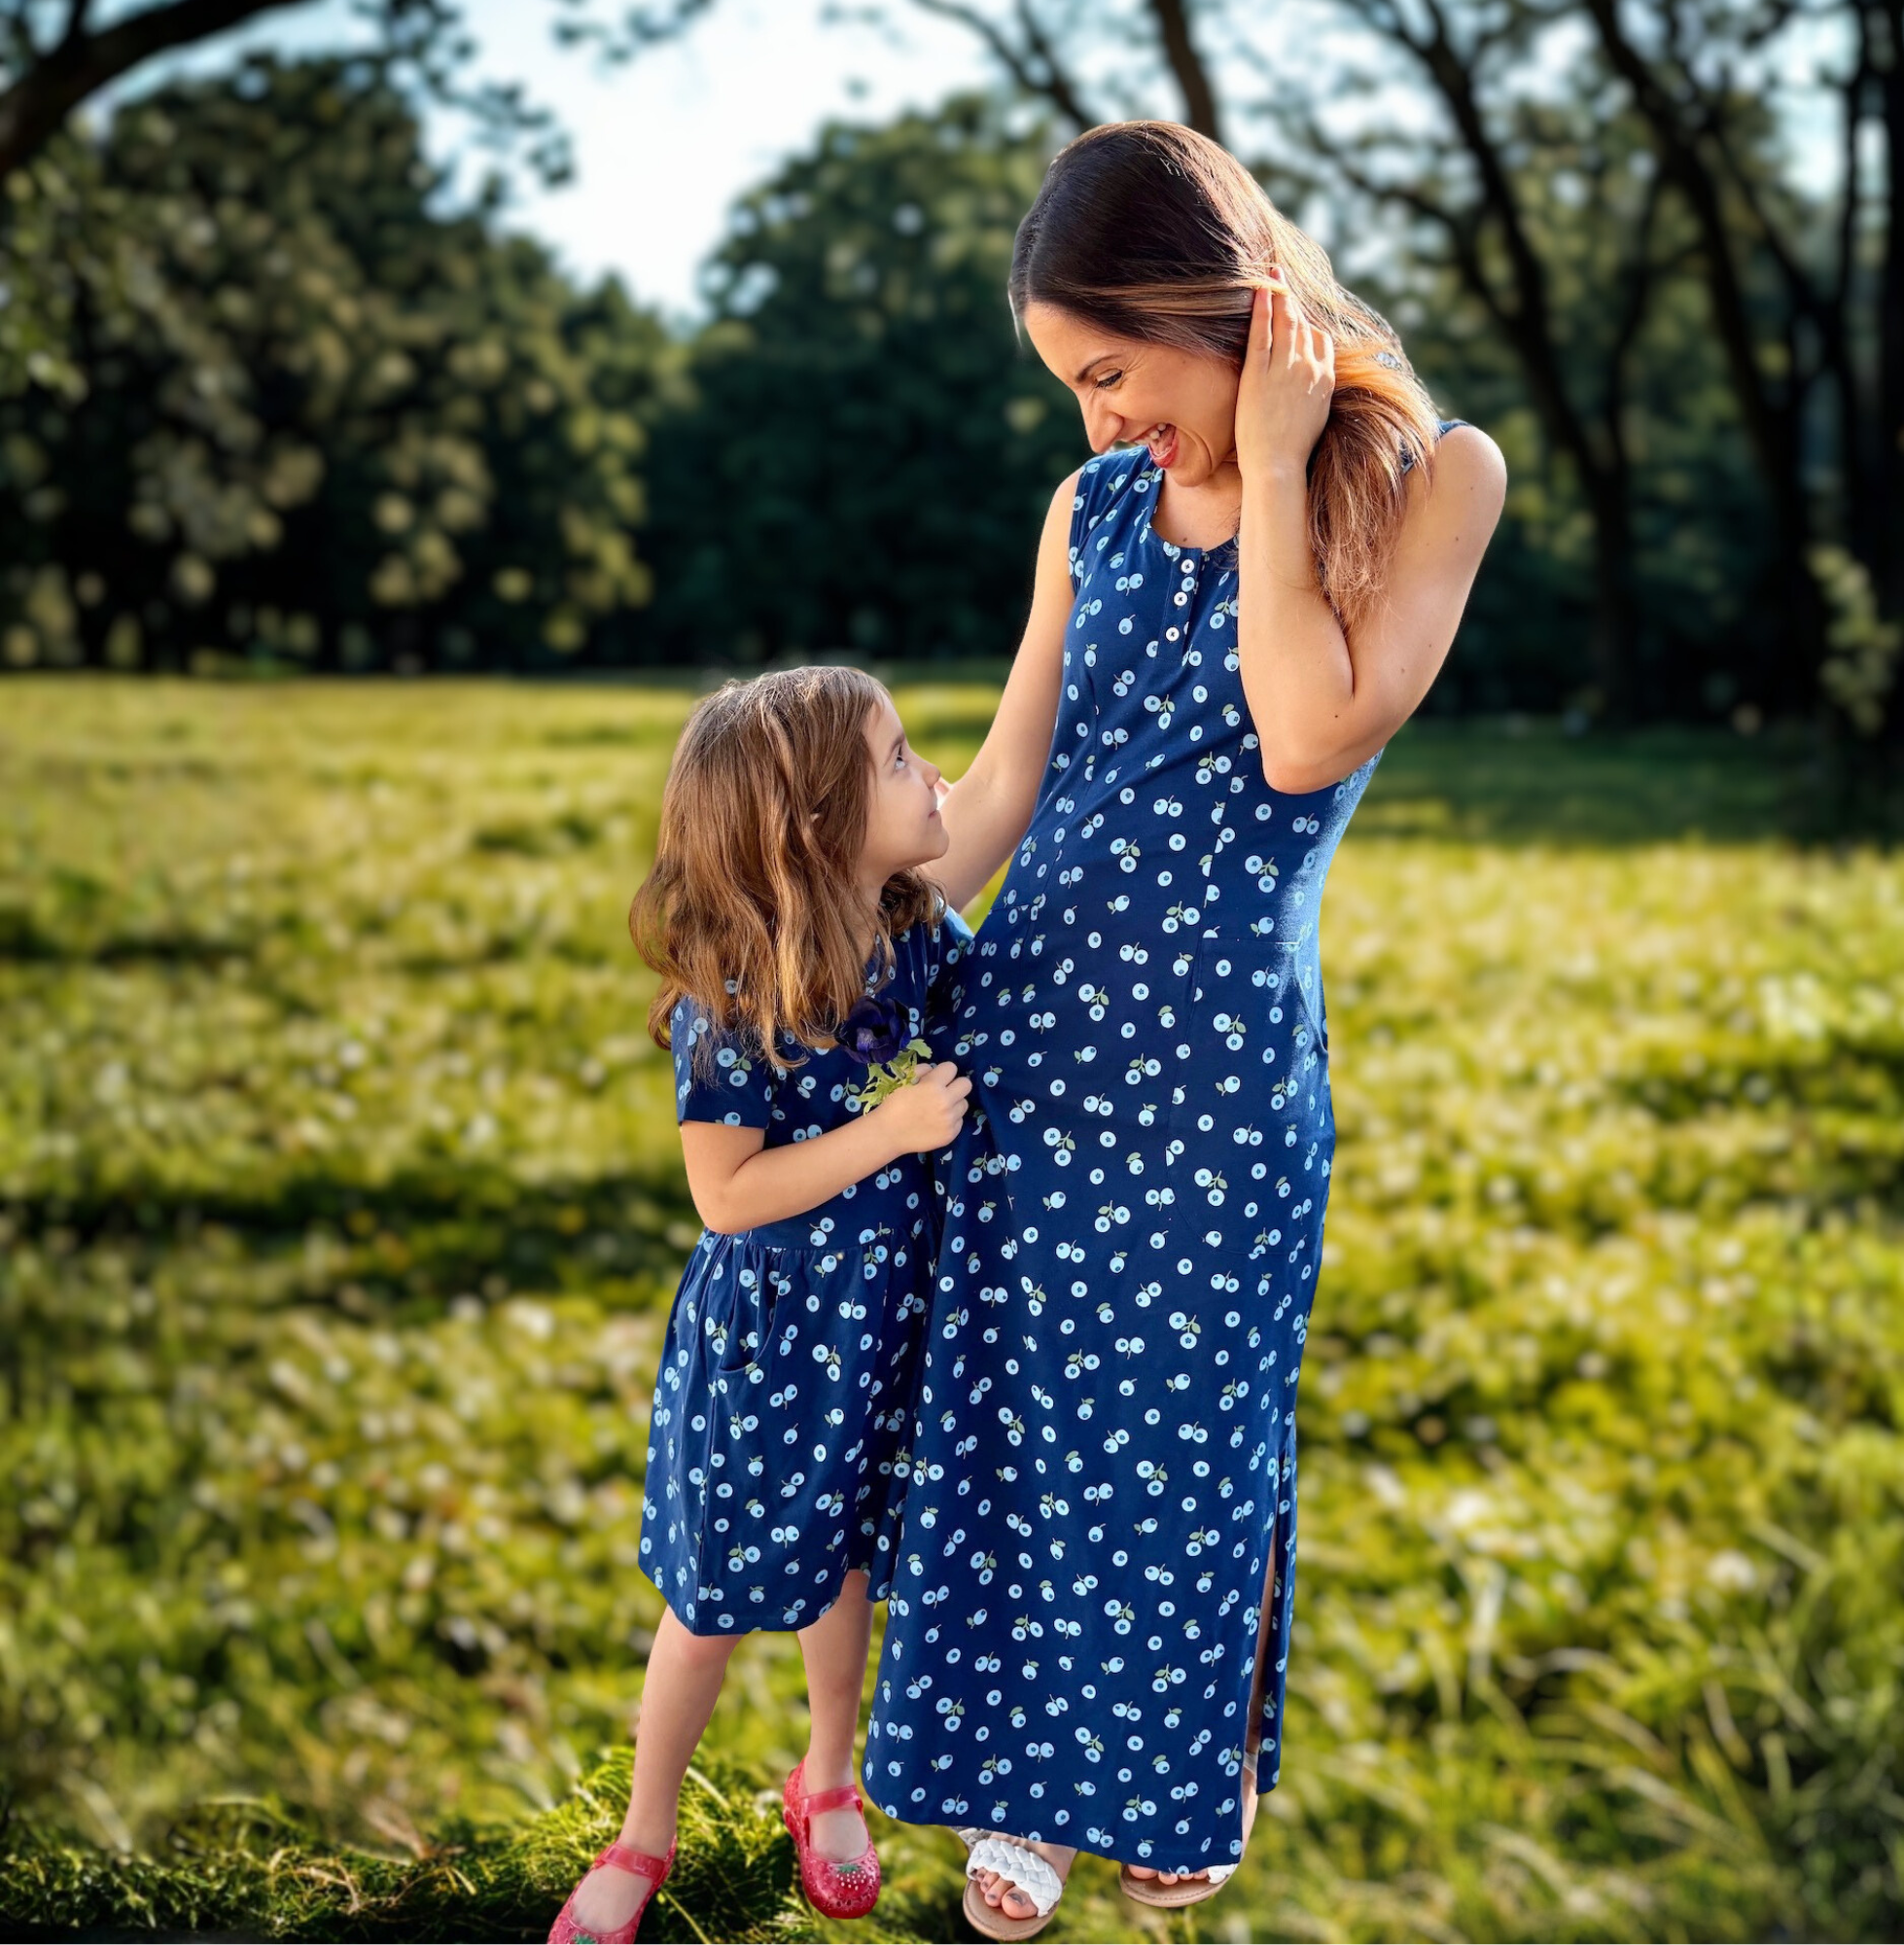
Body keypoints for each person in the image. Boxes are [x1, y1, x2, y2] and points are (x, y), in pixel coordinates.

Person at [859, 121, 1506, 1940]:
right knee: (1024, 1417)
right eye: (1075, 387)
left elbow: (1304, 736)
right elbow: (996, 796)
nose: (1096, 423)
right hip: (1033, 1034)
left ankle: (1163, 1768)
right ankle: (1025, 1798)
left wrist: (1286, 465)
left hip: (1220, 1070)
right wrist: (831, 919)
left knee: (1185, 1429)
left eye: (1110, 372)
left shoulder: (1433, 478)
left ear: (1214, 310)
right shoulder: (1094, 515)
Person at [547, 666, 974, 1943]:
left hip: (877, 1330)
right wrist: (893, 1133)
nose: (932, 775)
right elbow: (726, 1194)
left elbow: (996, 1005)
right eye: (902, 762)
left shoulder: (909, 936)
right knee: (713, 1602)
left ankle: (827, 1779)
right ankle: (645, 1833)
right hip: (768, 1348)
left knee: (840, 1567)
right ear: (818, 828)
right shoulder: (736, 994)